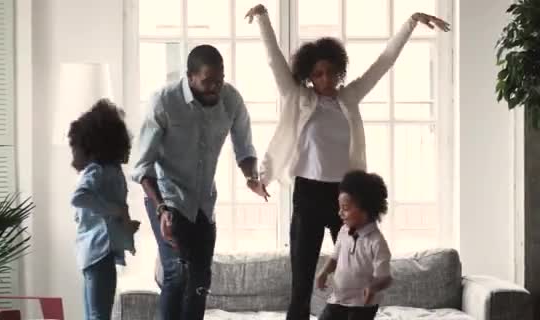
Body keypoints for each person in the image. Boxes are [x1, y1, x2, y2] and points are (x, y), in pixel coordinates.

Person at [245, 5, 450, 320]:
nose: (325, 79)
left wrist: (410, 24)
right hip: (307, 194)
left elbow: (383, 64)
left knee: (355, 275)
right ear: (308, 76)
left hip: (347, 198)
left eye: (330, 72)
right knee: (300, 283)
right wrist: (262, 17)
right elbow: (275, 61)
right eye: (317, 74)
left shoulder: (349, 97)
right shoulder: (297, 97)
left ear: (339, 71)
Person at [132, 44, 268, 320]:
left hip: (204, 202)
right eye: (207, 82)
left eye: (219, 80)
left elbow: (244, 149)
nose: (215, 88)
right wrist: (162, 210)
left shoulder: (231, 100)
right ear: (190, 76)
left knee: (200, 282)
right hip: (166, 197)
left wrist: (251, 177)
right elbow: (142, 167)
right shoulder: (164, 101)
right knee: (176, 273)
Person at [69, 99, 140, 320]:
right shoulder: (99, 171)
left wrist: (125, 225)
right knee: (100, 315)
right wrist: (114, 211)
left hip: (95, 251)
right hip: (99, 252)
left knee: (95, 314)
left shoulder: (110, 171)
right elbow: (79, 198)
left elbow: (113, 208)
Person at [315, 170, 391, 320]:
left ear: (366, 209)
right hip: (338, 299)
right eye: (340, 207)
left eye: (345, 208)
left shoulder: (376, 242)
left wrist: (373, 287)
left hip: (362, 305)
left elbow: (386, 278)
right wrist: (323, 272)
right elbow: (335, 258)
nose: (339, 213)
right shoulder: (343, 231)